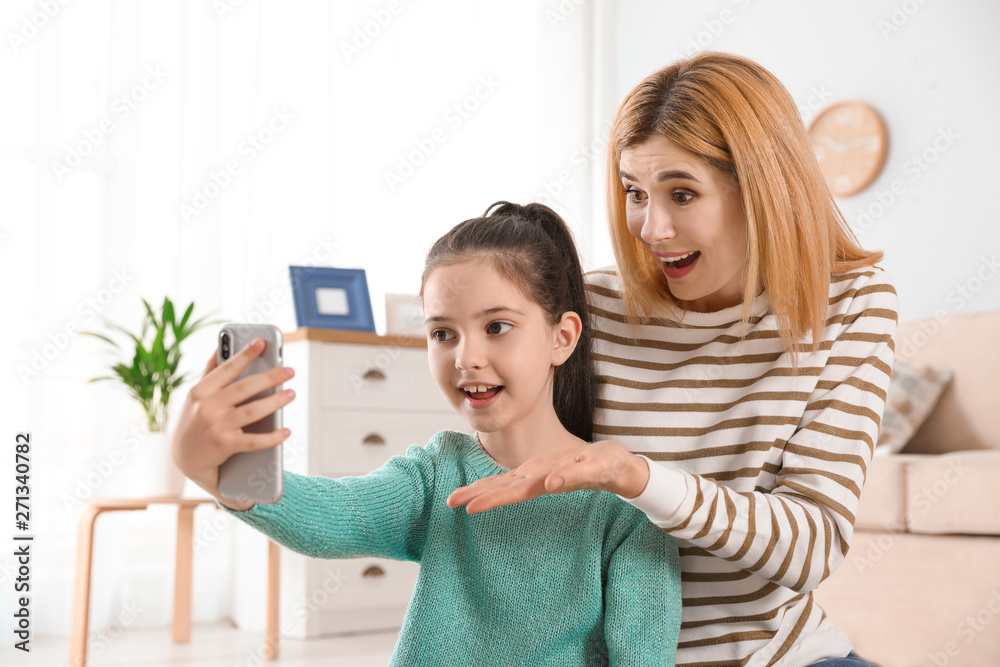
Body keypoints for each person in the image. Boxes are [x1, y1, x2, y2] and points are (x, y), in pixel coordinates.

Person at [446, 53, 897, 667]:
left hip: (781, 656)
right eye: (635, 192)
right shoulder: (590, 308)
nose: (651, 228)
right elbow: (488, 411)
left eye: (681, 193)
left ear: (760, 191)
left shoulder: (848, 304)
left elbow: (812, 544)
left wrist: (639, 478)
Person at [171, 201, 683, 665]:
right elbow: (339, 516)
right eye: (442, 333)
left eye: (497, 326)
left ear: (562, 337)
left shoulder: (623, 503)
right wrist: (211, 470)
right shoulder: (436, 473)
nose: (466, 358)